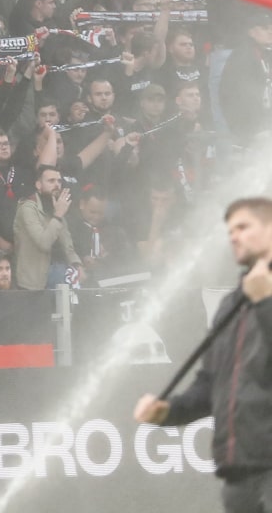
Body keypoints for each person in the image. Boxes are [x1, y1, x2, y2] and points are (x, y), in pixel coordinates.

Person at [134, 198, 272, 505]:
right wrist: (168, 411)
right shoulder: (230, 305)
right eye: (230, 230)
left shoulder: (260, 298)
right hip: (238, 474)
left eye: (244, 227)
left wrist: (265, 302)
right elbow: (211, 385)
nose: (233, 236)